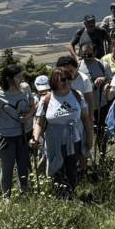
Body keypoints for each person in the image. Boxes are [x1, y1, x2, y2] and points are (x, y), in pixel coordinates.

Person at [32, 67, 91, 199]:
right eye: (63, 79)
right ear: (55, 80)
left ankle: (70, 195)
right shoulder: (47, 99)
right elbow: (39, 122)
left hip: (74, 139)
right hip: (54, 141)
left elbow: (85, 118)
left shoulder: (77, 95)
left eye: (69, 78)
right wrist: (35, 138)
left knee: (72, 168)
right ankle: (59, 195)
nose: (67, 82)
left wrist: (89, 138)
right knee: (56, 168)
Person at [0, 64, 33, 200]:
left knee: (23, 164)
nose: (21, 79)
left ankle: (24, 192)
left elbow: (33, 106)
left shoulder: (25, 89)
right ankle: (6, 197)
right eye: (18, 77)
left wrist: (27, 117)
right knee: (7, 167)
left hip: (23, 133)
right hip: (5, 136)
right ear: (9, 79)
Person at [79, 45, 112, 154]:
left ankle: (101, 153)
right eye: (84, 55)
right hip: (83, 106)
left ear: (95, 52)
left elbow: (110, 81)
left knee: (100, 131)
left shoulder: (102, 65)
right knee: (82, 131)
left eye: (89, 55)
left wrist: (104, 80)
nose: (86, 57)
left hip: (100, 104)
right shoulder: (78, 65)